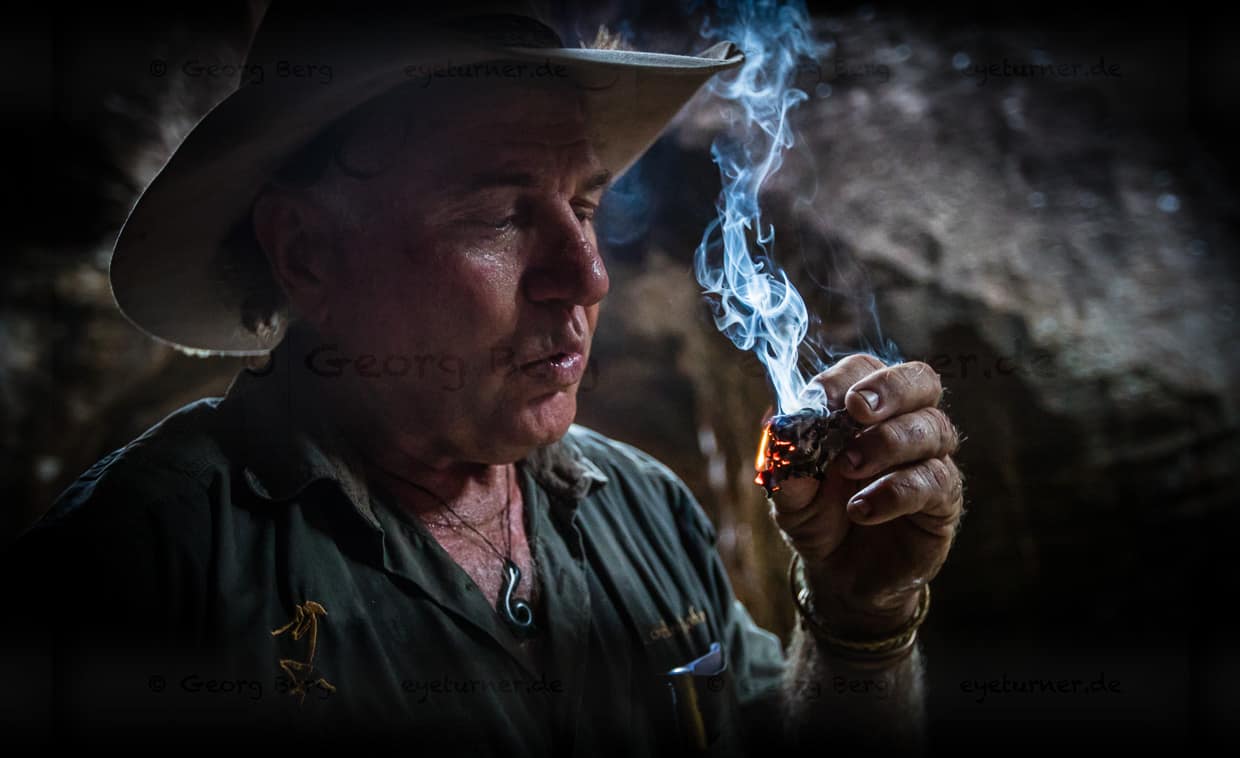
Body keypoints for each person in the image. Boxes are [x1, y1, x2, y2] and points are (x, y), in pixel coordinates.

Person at [1, 3, 965, 754]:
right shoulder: (148, 565)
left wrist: (857, 624)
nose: (586, 274)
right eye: (500, 215)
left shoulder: (645, 510)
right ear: (307, 253)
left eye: (584, 205)